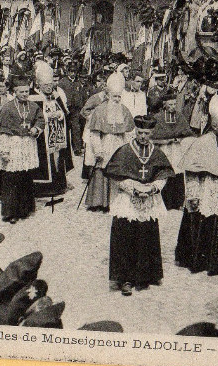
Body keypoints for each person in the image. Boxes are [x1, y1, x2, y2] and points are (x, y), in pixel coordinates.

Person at [104, 115, 174, 295]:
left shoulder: (156, 152)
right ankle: (125, 279)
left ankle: (146, 275)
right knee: (125, 237)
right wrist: (133, 189)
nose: (143, 136)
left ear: (152, 133)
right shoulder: (125, 151)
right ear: (135, 131)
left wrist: (153, 189)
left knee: (146, 235)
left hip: (149, 197)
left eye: (147, 133)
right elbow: (117, 175)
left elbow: (163, 175)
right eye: (140, 132)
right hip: (129, 199)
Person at [175, 94, 218, 275]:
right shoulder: (202, 143)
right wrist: (193, 195)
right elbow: (192, 170)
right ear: (214, 125)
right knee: (204, 223)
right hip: (206, 189)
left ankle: (217, 262)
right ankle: (199, 261)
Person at [82, 71, 135, 211]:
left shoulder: (124, 110)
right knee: (101, 172)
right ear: (109, 95)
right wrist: (98, 150)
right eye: (114, 96)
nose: (117, 99)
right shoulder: (99, 110)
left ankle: (115, 202)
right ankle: (100, 203)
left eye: (119, 96)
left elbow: (129, 132)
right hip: (104, 144)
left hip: (119, 144)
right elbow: (94, 133)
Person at [0, 76, 44, 223]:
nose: (24, 94)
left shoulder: (33, 106)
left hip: (28, 144)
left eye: (26, 91)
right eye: (21, 91)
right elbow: (2, 131)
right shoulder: (8, 108)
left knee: (25, 177)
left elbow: (41, 120)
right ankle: (10, 213)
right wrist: (4, 151)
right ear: (15, 92)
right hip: (13, 143)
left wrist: (36, 129)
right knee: (11, 178)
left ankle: (25, 209)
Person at [30, 63, 74, 198]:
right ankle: (43, 188)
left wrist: (60, 115)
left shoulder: (56, 94)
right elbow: (32, 117)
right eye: (46, 85)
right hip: (42, 137)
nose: (49, 87)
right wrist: (48, 117)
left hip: (57, 135)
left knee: (57, 158)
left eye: (50, 84)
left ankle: (59, 184)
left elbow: (65, 113)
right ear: (39, 84)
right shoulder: (33, 97)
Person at [149, 92, 194, 211]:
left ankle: (178, 201)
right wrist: (166, 140)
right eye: (171, 104)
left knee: (178, 173)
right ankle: (165, 201)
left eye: (175, 104)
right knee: (165, 172)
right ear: (165, 105)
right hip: (164, 149)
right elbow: (153, 136)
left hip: (176, 149)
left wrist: (180, 138)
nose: (173, 106)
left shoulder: (179, 116)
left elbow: (187, 131)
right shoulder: (158, 117)